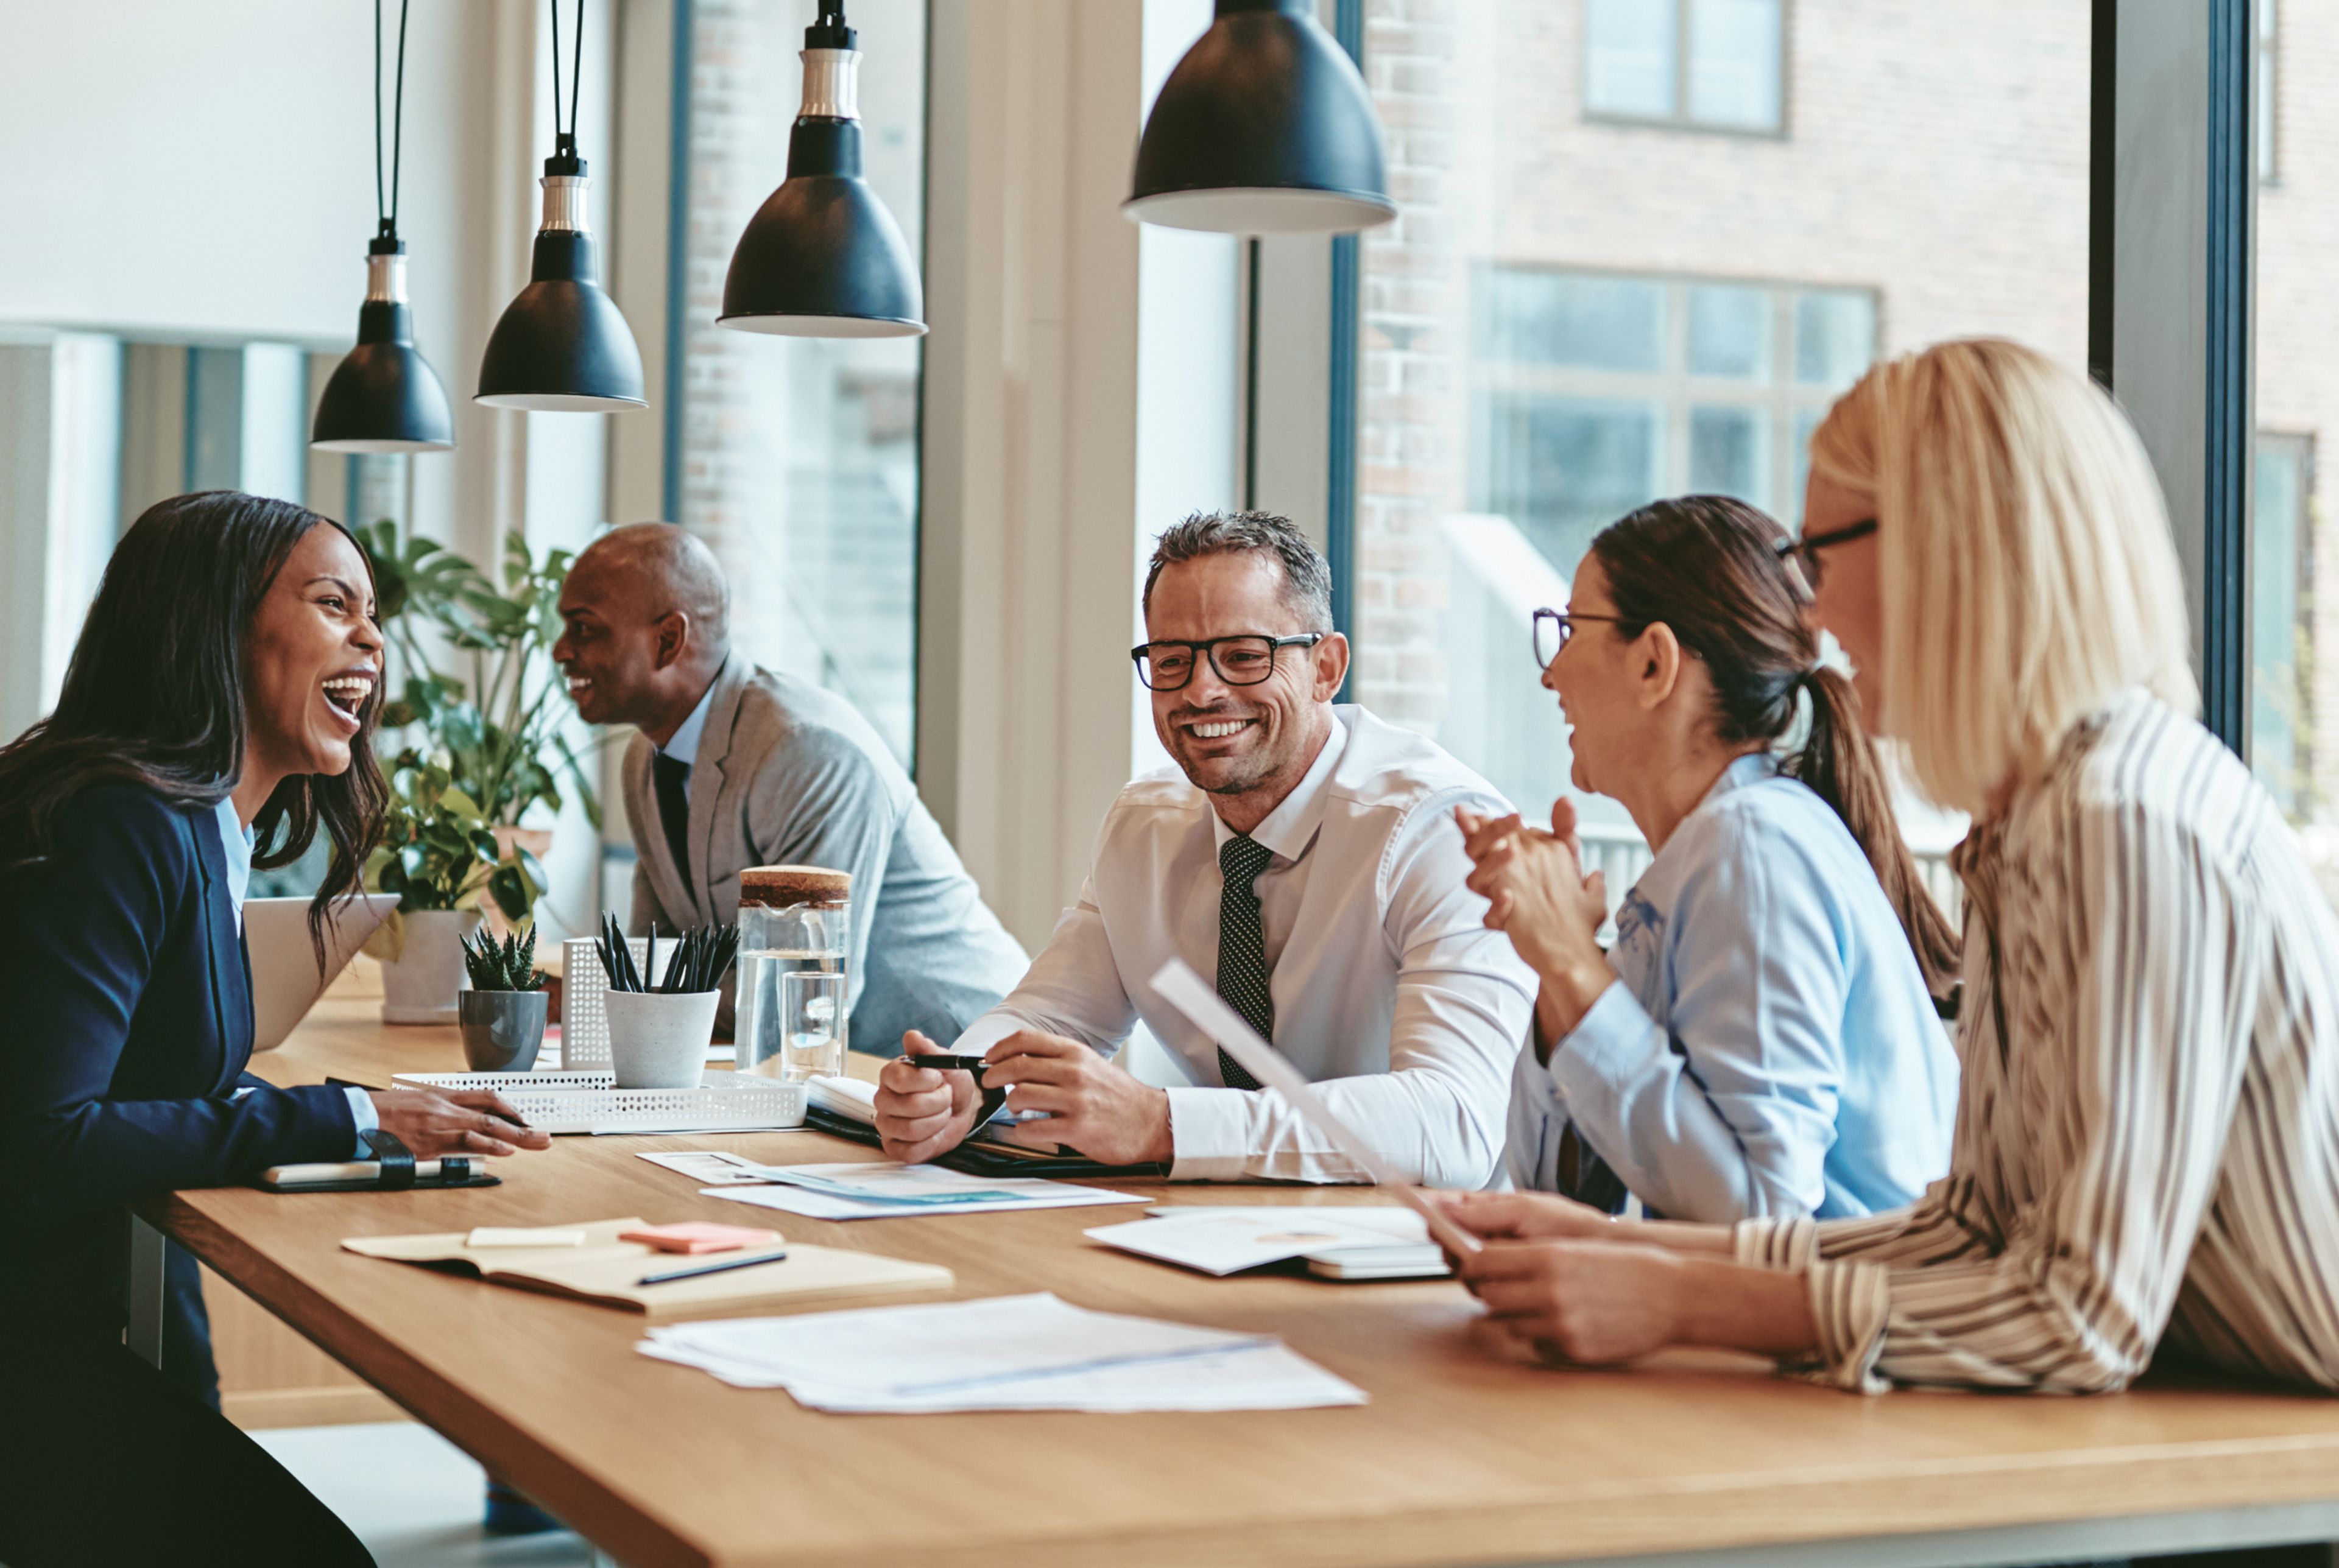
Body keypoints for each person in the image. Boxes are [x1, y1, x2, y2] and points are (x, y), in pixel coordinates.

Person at [1437, 338, 2339, 1396]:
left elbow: (2079, 1318)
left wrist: (1679, 1298)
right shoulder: (2035, 821)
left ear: (1948, 545)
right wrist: (1641, 1256)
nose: (1808, 614)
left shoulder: (2122, 822)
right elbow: (1975, 1229)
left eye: (1819, 555)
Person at [0, 491, 552, 1566]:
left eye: (374, 614)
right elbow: (41, 1136)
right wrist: (336, 1117)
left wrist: (363, 1117)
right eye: (332, 603)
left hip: (97, 1299)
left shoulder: (192, 822)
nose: (372, 640)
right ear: (216, 626)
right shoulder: (128, 824)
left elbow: (134, 1084)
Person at [872, 510, 1536, 1184]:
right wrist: (965, 1085)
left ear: (1326, 669)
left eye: (1245, 655)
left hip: (1434, 1253)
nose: (1202, 690)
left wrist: (1162, 1125)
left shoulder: (1441, 830)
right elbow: (1052, 1013)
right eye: (1172, 661)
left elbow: (1456, 1123)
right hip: (1226, 1228)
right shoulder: (1146, 825)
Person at [1456, 495, 1958, 1225]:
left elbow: (1761, 1218)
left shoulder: (1754, 852)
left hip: (1845, 1330)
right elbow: (1561, 1191)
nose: (1550, 673)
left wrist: (1572, 961)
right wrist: (1557, 965)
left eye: (1570, 629)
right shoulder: (1708, 854)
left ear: (1655, 661)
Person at [553, 523, 1027, 1052]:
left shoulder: (804, 751)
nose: (560, 651)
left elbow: (800, 998)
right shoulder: (645, 761)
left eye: (584, 629)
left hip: (969, 1069)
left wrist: (631, 1001)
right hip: (831, 1080)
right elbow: (648, 971)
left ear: (668, 640)